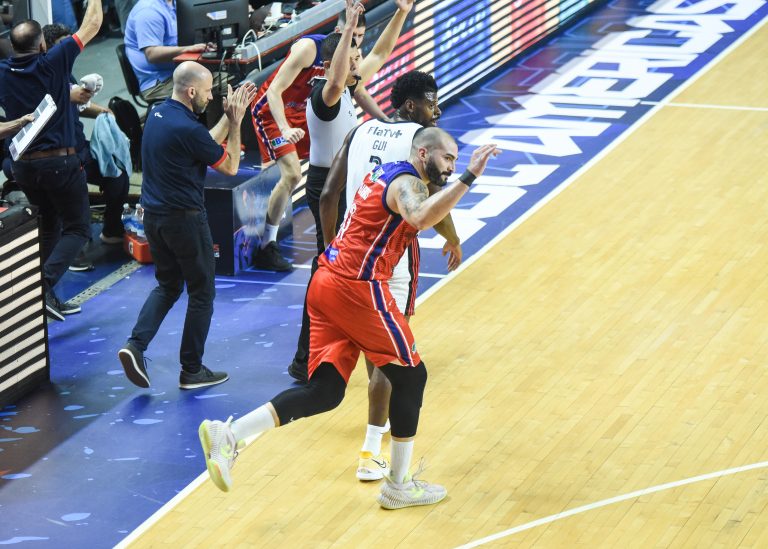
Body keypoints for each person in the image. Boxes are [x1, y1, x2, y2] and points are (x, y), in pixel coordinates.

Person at [198, 128, 498, 510]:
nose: (452, 166)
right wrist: (470, 176)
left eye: (456, 161)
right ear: (423, 154)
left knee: (324, 392)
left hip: (327, 280)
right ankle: (399, 484)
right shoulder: (407, 184)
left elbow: (343, 200)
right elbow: (421, 216)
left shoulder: (387, 172)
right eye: (448, 158)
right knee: (411, 375)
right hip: (358, 287)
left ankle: (229, 434)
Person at [117, 63, 257, 390]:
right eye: (207, 92)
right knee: (202, 292)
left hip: (154, 218)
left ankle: (135, 345)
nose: (210, 97)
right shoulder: (189, 129)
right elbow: (230, 166)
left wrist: (228, 117)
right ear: (191, 91)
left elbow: (202, 143)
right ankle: (192, 370)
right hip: (185, 221)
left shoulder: (158, 114)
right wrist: (236, 122)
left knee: (168, 285)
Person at [249, 0, 414, 271]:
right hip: (276, 112)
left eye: (359, 41)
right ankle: (268, 244)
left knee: (338, 245)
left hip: (311, 126)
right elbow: (275, 92)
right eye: (352, 56)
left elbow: (379, 55)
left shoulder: (346, 83)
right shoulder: (317, 61)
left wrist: (401, 12)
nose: (358, 57)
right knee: (293, 177)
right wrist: (285, 128)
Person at [0, 0, 104, 321]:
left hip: (23, 167)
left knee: (49, 227)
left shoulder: (3, 72)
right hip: (59, 164)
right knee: (78, 228)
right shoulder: (53, 62)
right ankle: (40, 287)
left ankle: (47, 298)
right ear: (43, 45)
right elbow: (92, 24)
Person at [41, 23, 129, 273]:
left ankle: (111, 230)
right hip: (58, 155)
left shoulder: (65, 72)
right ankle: (69, 250)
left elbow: (79, 103)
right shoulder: (40, 78)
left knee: (118, 176)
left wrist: (103, 111)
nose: (70, 50)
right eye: (63, 45)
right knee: (73, 195)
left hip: (80, 148)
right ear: (47, 49)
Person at [123, 0, 208, 102]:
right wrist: (187, 49)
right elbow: (152, 54)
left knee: (217, 75)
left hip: (180, 73)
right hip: (160, 83)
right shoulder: (148, 11)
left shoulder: (174, 4)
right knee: (222, 81)